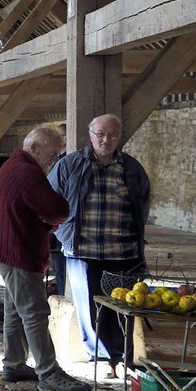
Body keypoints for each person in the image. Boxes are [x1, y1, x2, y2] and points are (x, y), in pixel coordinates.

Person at [0, 126, 90, 391]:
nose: (54, 160)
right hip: (20, 251)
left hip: (8, 249)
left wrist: (44, 220)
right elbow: (59, 209)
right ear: (34, 148)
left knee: (16, 310)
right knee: (34, 313)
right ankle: (49, 371)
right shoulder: (27, 173)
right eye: (52, 153)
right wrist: (49, 220)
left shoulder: (12, 166)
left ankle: (14, 363)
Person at [49, 114, 152, 377]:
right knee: (90, 307)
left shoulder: (131, 168)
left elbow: (142, 203)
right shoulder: (70, 165)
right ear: (90, 134)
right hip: (83, 250)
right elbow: (49, 200)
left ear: (119, 136)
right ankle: (102, 358)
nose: (106, 140)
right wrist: (63, 233)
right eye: (100, 134)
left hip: (123, 252)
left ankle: (123, 356)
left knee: (122, 306)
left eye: (112, 135)